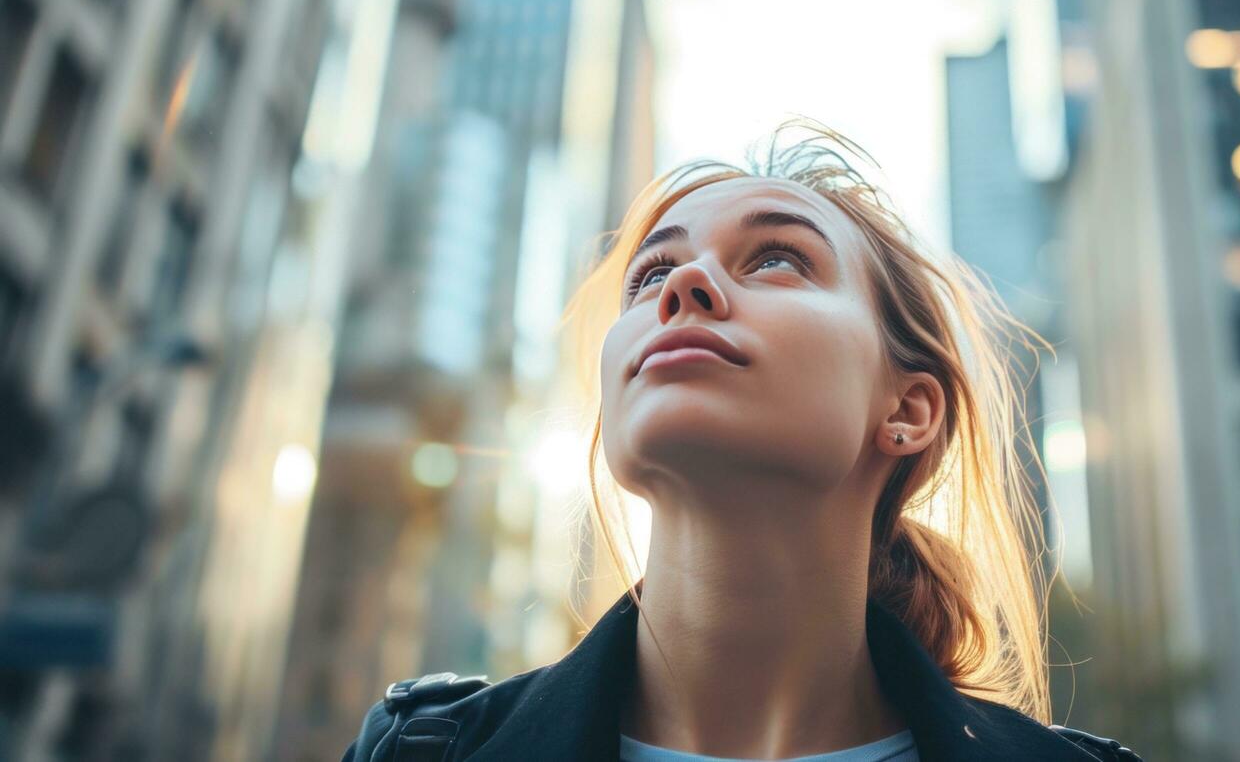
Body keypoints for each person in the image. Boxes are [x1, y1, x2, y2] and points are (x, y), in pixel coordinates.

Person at [342, 126, 1142, 761]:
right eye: (651, 276)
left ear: (908, 408)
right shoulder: (419, 751)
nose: (684, 289)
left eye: (777, 259)